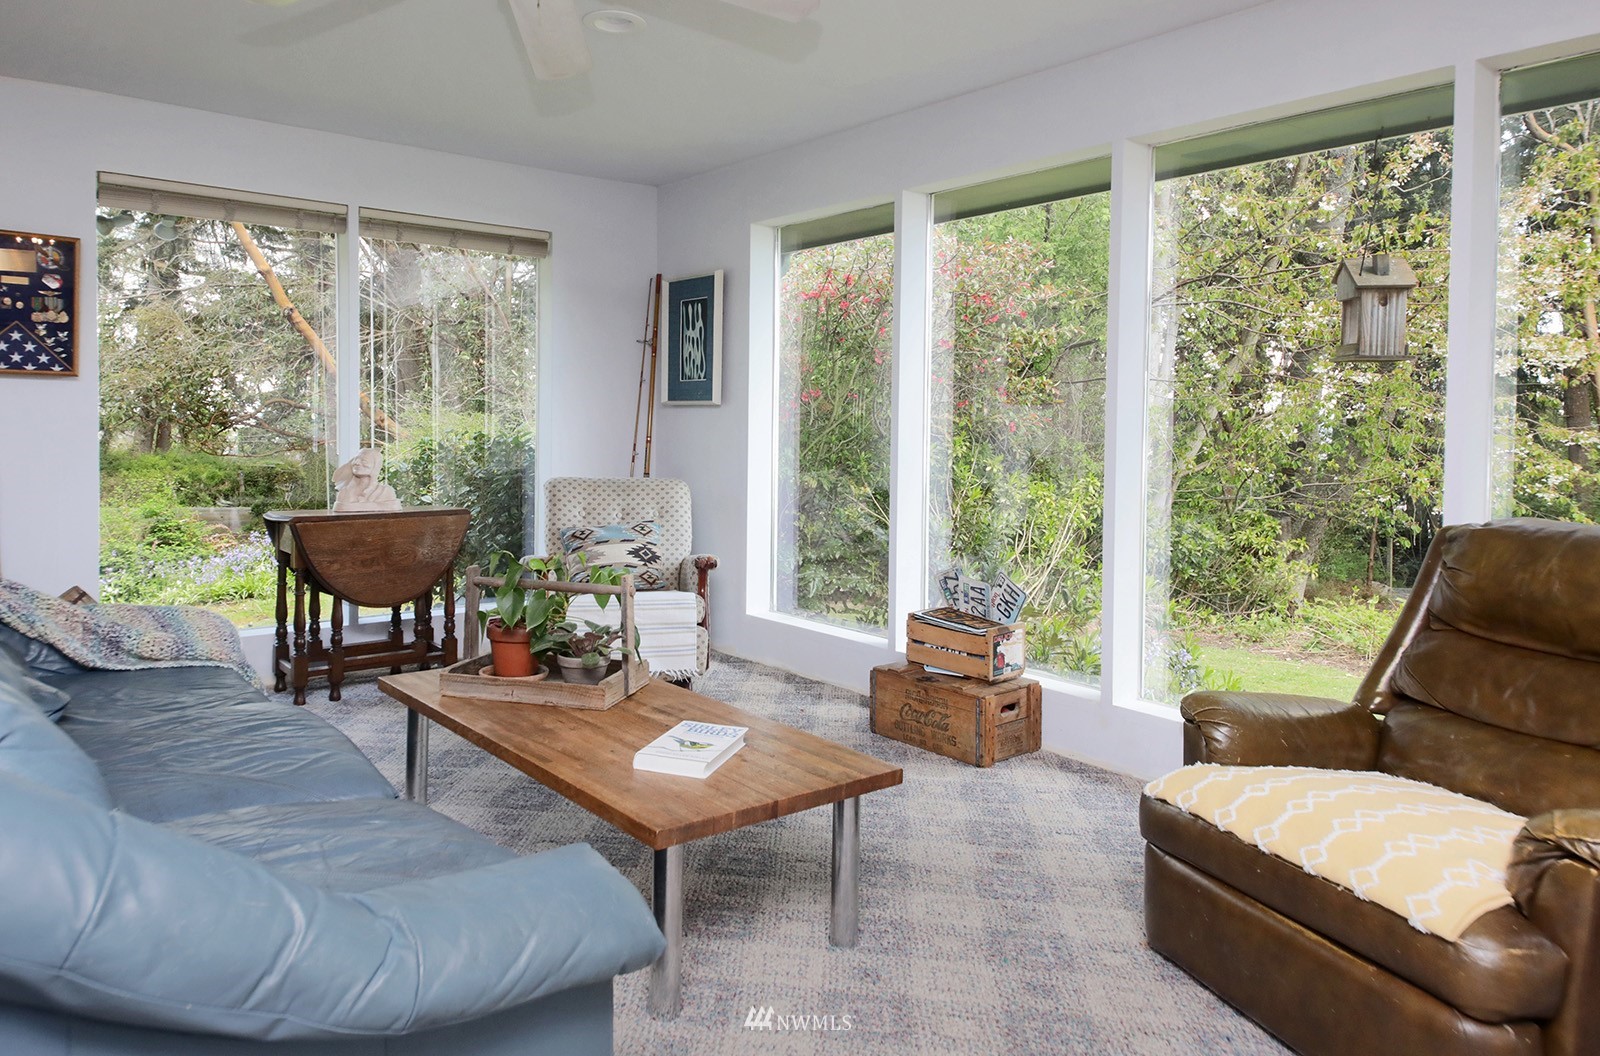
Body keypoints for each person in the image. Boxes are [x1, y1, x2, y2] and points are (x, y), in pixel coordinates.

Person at [332, 448, 401, 512]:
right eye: (356, 459)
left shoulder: (385, 492)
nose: (357, 463)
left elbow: (393, 507)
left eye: (364, 461)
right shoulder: (344, 492)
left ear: (375, 466)